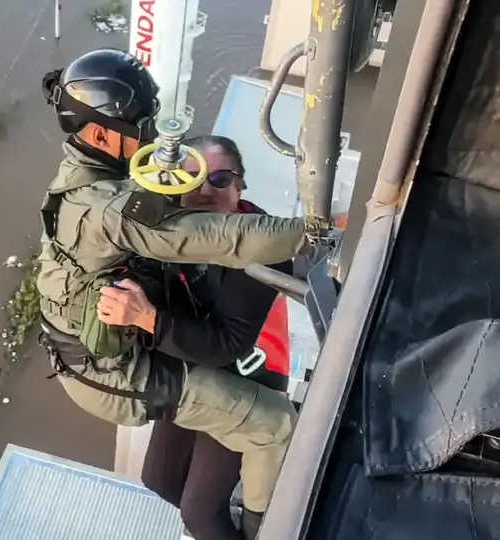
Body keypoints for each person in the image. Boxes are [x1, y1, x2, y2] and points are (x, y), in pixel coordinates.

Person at [37, 49, 311, 538]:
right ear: (99, 134)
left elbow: (225, 335)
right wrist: (317, 231)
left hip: (121, 353)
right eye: (139, 125)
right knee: (274, 426)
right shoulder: (113, 210)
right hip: (117, 369)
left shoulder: (79, 181)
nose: (148, 135)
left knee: (192, 476)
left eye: (221, 180)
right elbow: (225, 238)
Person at [101, 135, 290, 540]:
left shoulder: (263, 247)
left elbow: (226, 345)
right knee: (159, 481)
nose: (204, 190)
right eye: (191, 178)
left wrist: (147, 317)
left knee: (199, 511)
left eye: (219, 178)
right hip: (191, 361)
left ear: (240, 188)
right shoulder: (167, 233)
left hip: (248, 378)